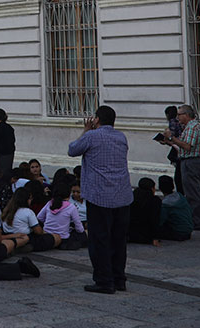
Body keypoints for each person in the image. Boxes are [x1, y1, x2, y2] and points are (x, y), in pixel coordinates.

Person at [67, 105, 133, 294]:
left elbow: (72, 150)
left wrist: (85, 130)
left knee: (100, 240)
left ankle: (104, 280)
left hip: (100, 196)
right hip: (122, 195)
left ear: (97, 120)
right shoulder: (121, 137)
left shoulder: (92, 136)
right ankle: (119, 278)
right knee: (119, 240)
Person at [163, 105, 200, 231]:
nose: (177, 117)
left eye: (179, 114)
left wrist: (172, 137)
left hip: (191, 162)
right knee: (191, 191)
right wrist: (169, 141)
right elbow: (182, 144)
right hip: (189, 161)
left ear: (186, 115)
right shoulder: (189, 127)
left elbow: (187, 146)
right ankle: (195, 219)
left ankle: (198, 221)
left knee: (193, 193)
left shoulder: (192, 127)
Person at [36, 181, 85, 249]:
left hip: (48, 235)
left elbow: (39, 217)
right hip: (63, 238)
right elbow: (79, 227)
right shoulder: (71, 207)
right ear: (68, 195)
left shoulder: (50, 203)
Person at [157, 175, 192, 241]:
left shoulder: (166, 204)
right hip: (188, 230)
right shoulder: (180, 196)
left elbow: (161, 220)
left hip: (178, 233)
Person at [128, 178, 162, 246]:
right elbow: (155, 219)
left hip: (130, 234)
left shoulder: (132, 197)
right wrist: (156, 237)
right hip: (146, 236)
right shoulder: (154, 201)